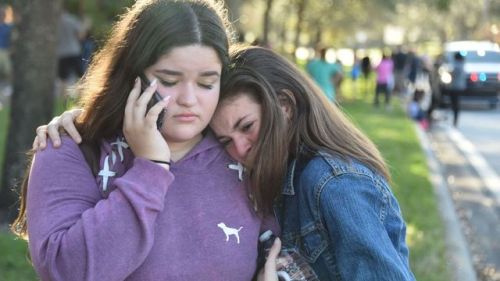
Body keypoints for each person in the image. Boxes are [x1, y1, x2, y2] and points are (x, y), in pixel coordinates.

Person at [35, 46, 416, 280]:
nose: (239, 150)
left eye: (247, 127)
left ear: (284, 106)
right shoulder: (276, 174)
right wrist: (87, 120)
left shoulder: (334, 185)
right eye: (224, 140)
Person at [12, 1, 273, 280]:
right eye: (169, 80)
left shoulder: (243, 152)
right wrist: (151, 169)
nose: (189, 99)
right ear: (130, 75)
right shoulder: (70, 148)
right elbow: (66, 271)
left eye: (206, 83)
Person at [448, 52, 466, 127]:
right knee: (456, 103)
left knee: (455, 104)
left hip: (455, 87)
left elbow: (453, 74)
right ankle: (455, 119)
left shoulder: (457, 65)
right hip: (460, 87)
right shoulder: (462, 64)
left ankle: (455, 120)